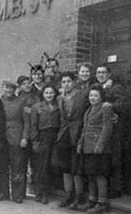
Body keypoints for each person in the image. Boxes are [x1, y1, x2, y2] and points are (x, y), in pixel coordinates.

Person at [77, 84, 114, 213]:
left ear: (101, 97)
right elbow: (85, 128)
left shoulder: (105, 108)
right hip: (88, 147)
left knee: (99, 175)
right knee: (90, 174)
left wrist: (99, 145)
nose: (92, 98)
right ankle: (92, 201)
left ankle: (102, 204)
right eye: (91, 95)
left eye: (95, 96)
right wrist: (80, 144)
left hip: (99, 149)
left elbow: (107, 128)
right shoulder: (89, 110)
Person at [56, 71, 88, 208]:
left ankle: (78, 196)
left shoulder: (82, 95)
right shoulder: (60, 98)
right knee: (65, 166)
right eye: (63, 82)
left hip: (77, 132)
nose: (66, 84)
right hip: (64, 133)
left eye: (68, 81)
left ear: (74, 82)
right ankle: (68, 194)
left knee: (76, 166)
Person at [96, 64, 127, 198]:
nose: (100, 75)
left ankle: (116, 189)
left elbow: (123, 104)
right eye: (98, 73)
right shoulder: (98, 87)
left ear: (109, 74)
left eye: (103, 73)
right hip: (102, 128)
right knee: (104, 158)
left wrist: (111, 106)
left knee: (114, 158)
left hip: (114, 128)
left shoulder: (116, 88)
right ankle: (104, 188)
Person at [31, 84, 61, 204]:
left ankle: (48, 190)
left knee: (52, 165)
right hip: (42, 137)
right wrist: (35, 141)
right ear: (43, 94)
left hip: (55, 137)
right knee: (41, 167)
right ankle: (41, 193)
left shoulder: (58, 106)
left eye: (51, 93)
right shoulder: (37, 107)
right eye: (46, 93)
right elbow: (33, 126)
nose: (49, 95)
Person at [0, 80, 25, 203]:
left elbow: (26, 121)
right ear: (3, 88)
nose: (9, 90)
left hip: (16, 137)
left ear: (15, 90)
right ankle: (3, 192)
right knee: (2, 167)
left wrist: (24, 137)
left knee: (17, 167)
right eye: (6, 88)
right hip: (1, 137)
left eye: (11, 88)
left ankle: (17, 194)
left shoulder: (20, 101)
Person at [16, 75, 39, 197]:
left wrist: (33, 111)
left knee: (35, 164)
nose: (27, 85)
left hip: (34, 134)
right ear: (19, 86)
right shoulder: (18, 99)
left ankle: (36, 190)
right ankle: (21, 192)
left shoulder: (35, 98)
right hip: (22, 135)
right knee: (21, 165)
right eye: (24, 83)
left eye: (28, 83)